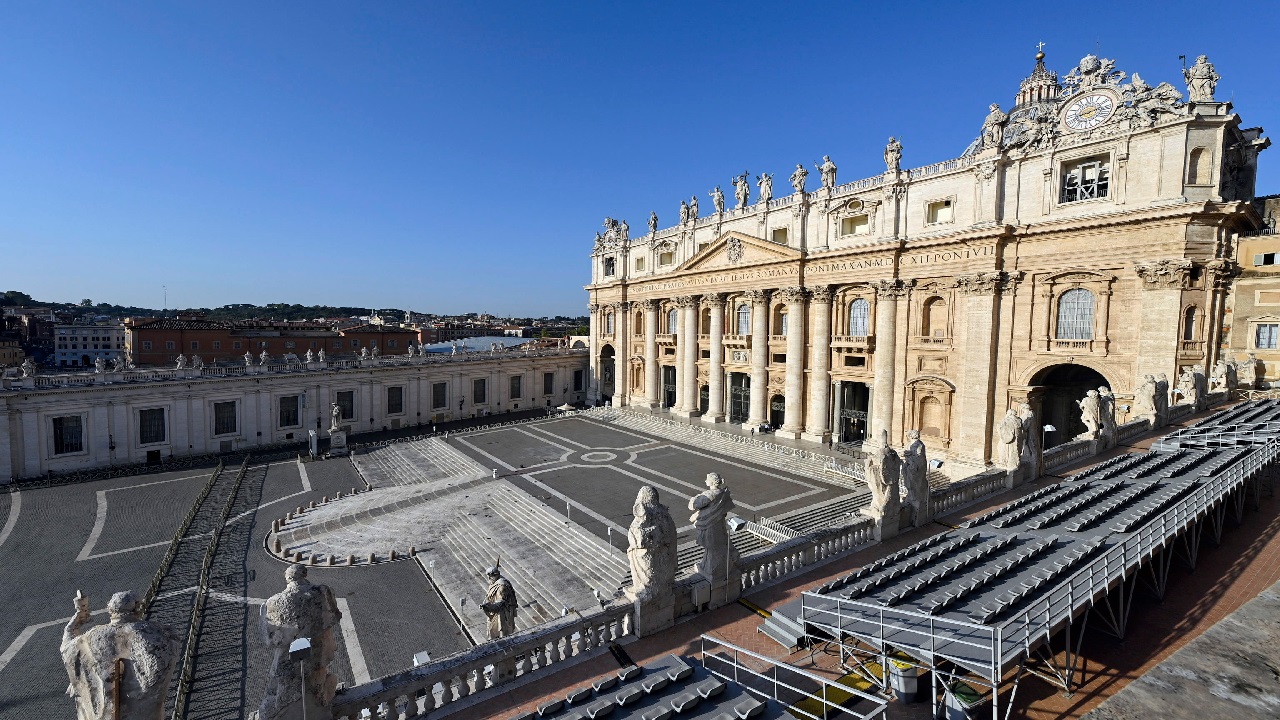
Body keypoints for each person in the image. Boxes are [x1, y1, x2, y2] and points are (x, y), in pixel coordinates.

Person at [480, 564, 518, 639]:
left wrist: (489, 606)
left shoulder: (502, 586)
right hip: (495, 610)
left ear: (492, 576)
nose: (488, 578)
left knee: (499, 630)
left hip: (502, 613)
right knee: (493, 629)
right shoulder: (496, 581)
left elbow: (501, 603)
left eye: (489, 577)